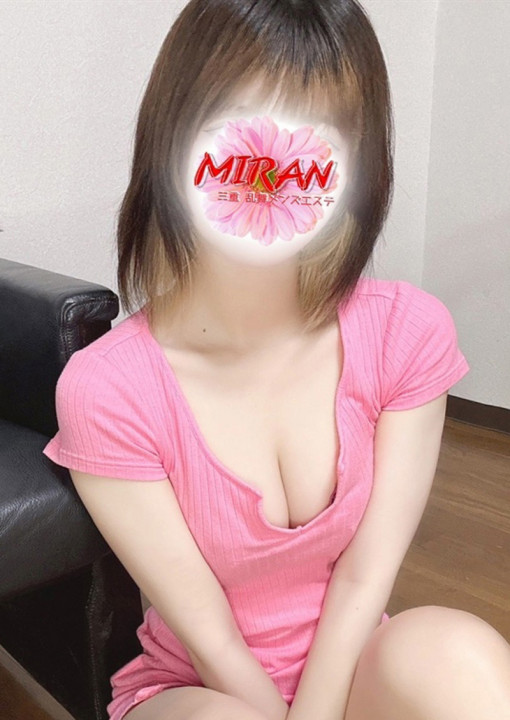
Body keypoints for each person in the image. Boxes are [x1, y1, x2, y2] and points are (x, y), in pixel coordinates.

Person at [42, 1, 510, 720]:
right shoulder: (108, 388)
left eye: (321, 137)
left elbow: (365, 578)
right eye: (244, 127)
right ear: (175, 140)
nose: (277, 170)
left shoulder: (405, 332)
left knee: (458, 655)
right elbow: (210, 635)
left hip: (353, 669)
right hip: (201, 690)